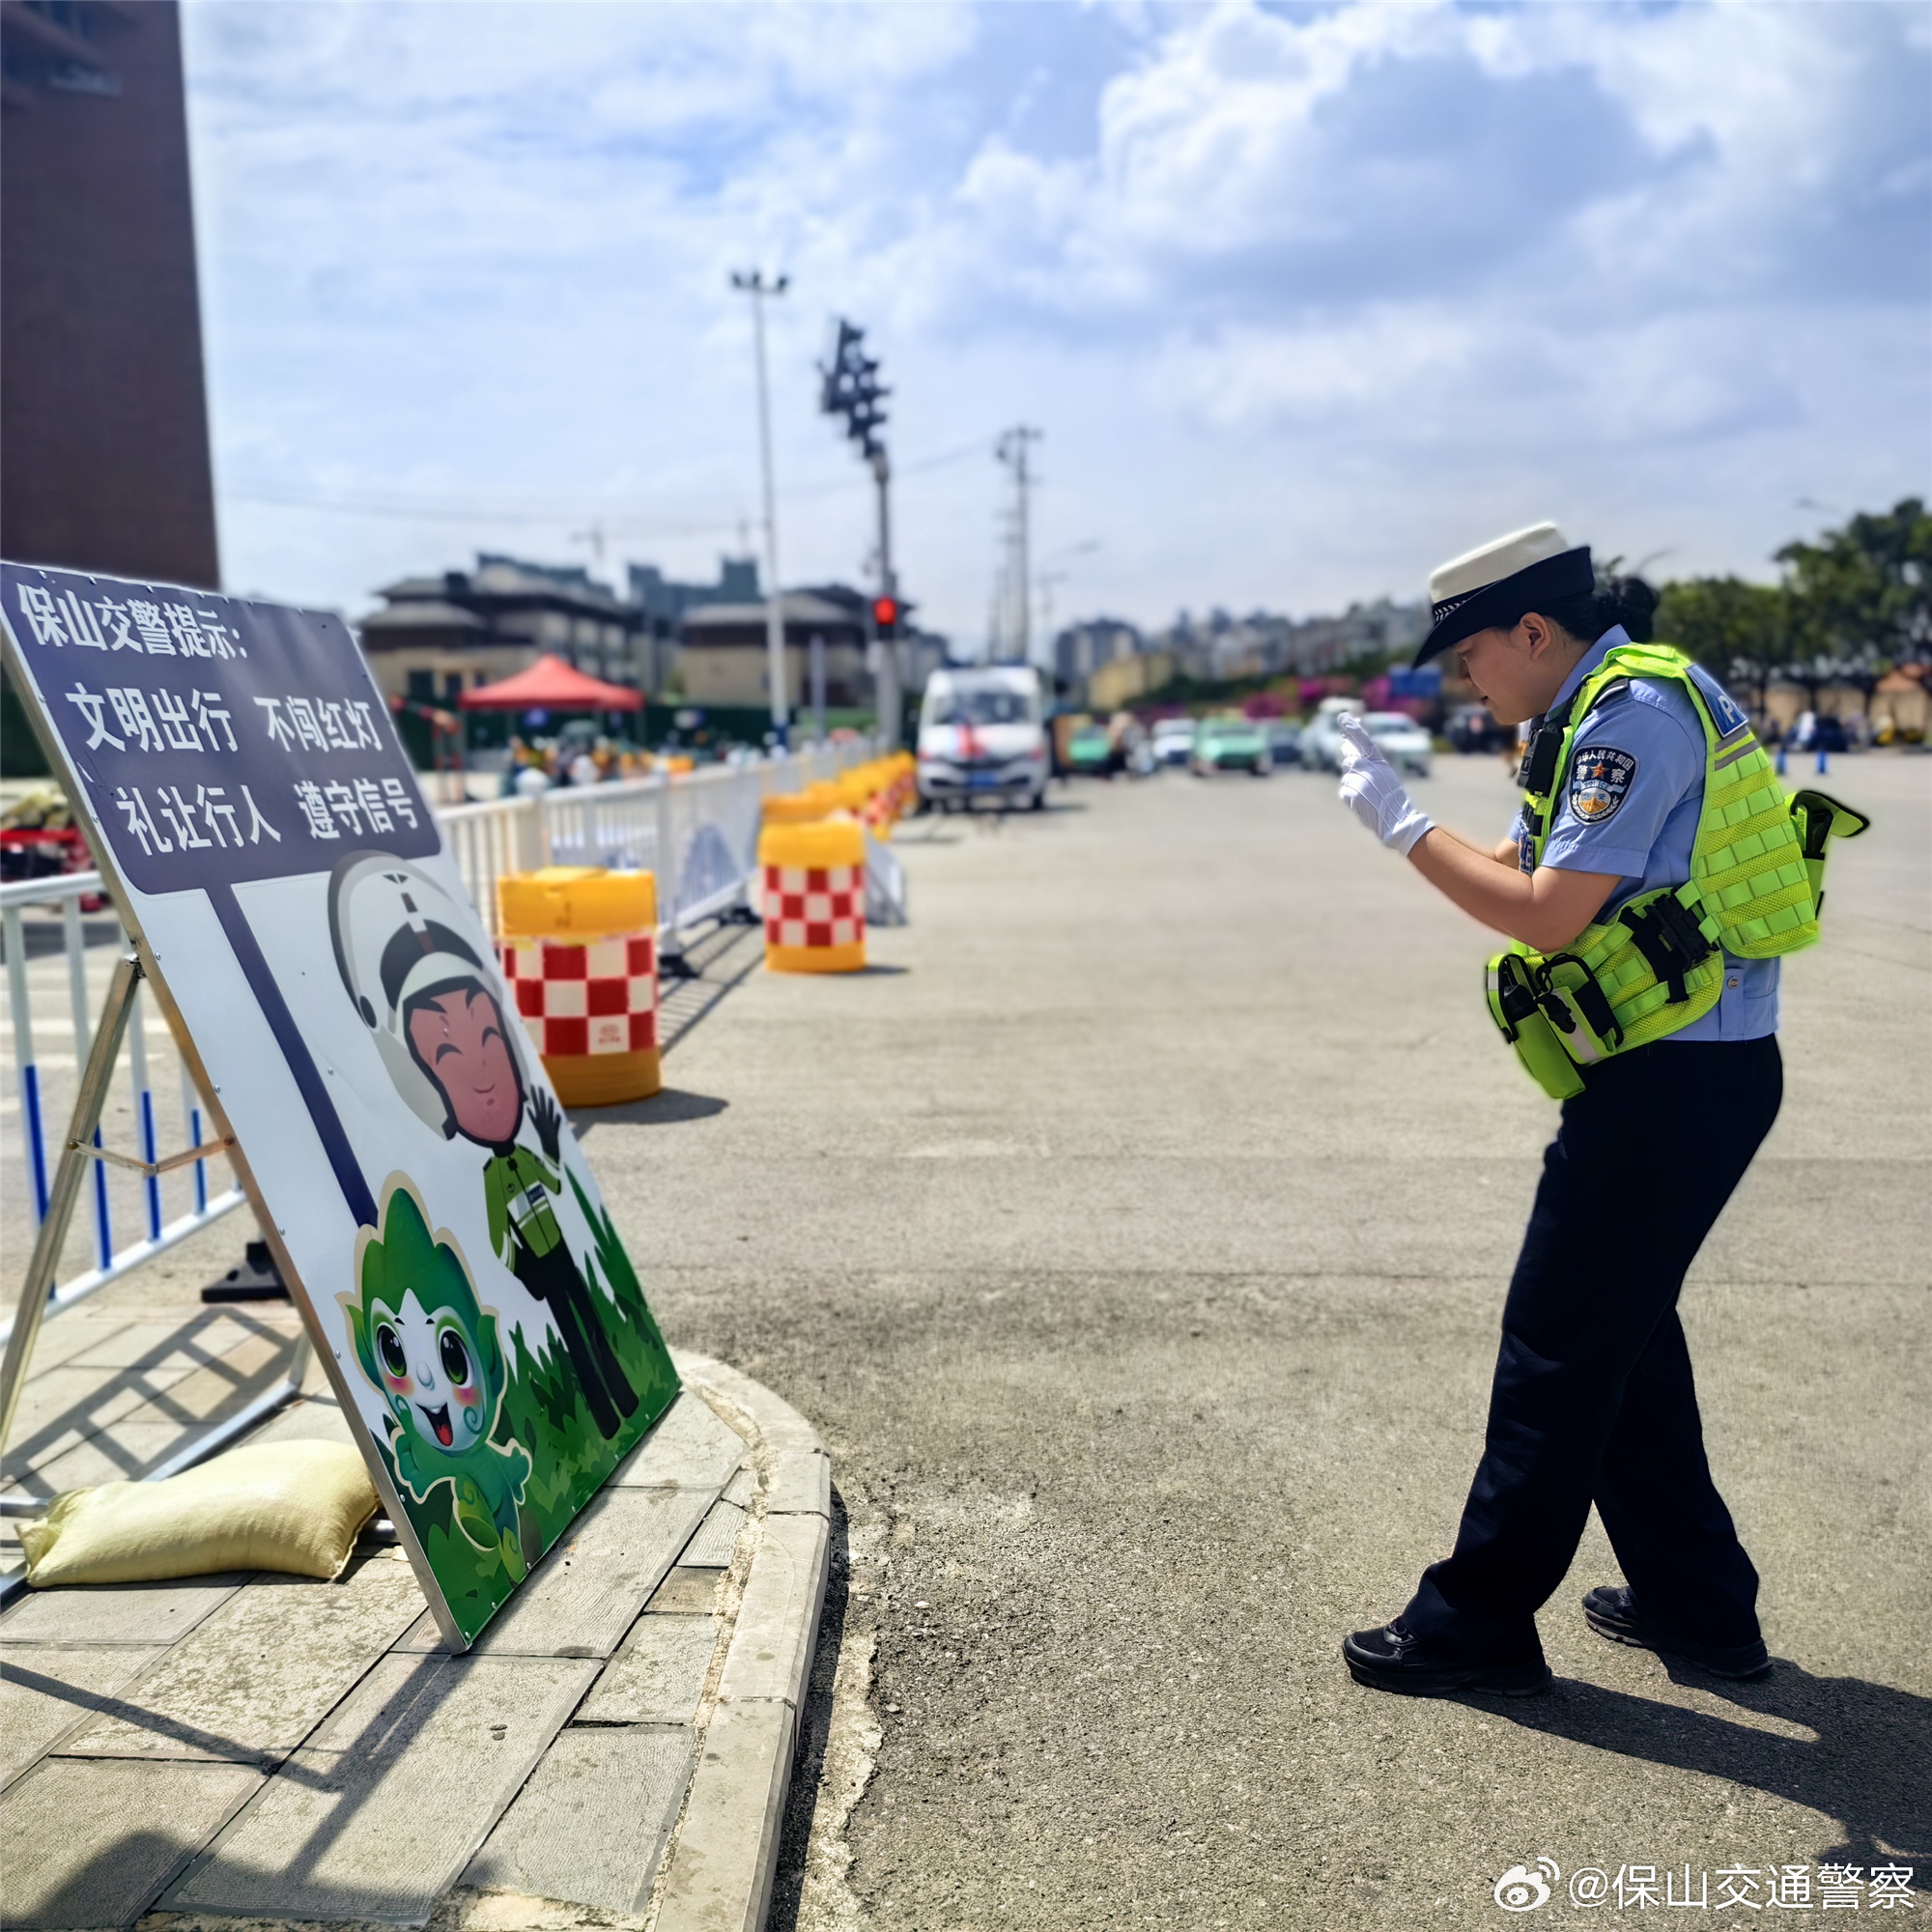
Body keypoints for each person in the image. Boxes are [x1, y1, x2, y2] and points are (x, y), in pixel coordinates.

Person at [1329, 522, 1861, 1698]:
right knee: (1620, 1338)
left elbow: (1546, 911)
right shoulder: (1584, 708)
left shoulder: (1628, 718)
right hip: (1674, 1076)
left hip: (1677, 1085)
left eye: (1469, 655)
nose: (1464, 679)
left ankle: (1473, 1616)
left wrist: (1403, 826)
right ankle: (1698, 1603)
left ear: (1531, 630)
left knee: (1556, 1346)